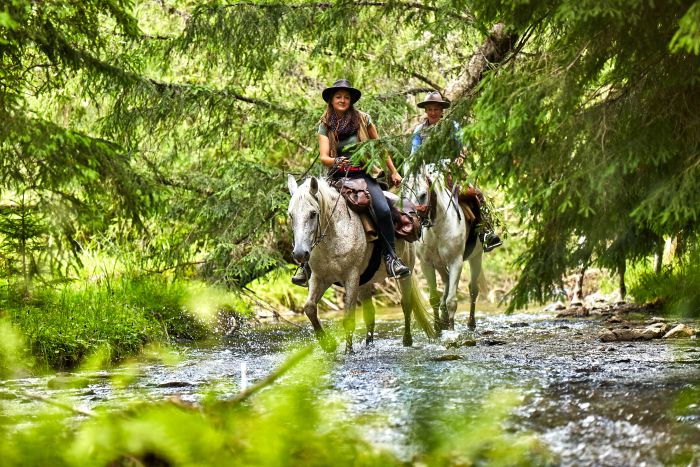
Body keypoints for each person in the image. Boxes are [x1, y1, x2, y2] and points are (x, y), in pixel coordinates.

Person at [292, 79, 411, 286]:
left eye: (346, 97)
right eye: (338, 96)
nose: (342, 100)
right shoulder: (325, 124)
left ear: (351, 100)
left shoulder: (364, 119)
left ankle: (392, 258)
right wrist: (336, 160)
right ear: (331, 99)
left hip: (364, 175)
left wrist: (393, 171)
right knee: (308, 211)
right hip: (337, 177)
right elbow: (323, 157)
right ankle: (305, 265)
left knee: (383, 210)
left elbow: (379, 147)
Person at [410, 91, 502, 252]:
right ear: (425, 111)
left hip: (450, 170)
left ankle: (485, 232)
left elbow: (463, 147)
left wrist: (459, 159)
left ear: (441, 111)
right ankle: (414, 233)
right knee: (414, 196)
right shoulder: (419, 130)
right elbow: (414, 154)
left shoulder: (452, 126)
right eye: (430, 109)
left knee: (476, 193)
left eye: (436, 109)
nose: (433, 112)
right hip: (426, 171)